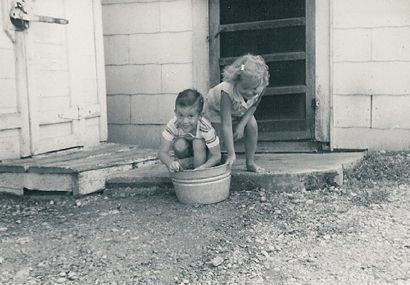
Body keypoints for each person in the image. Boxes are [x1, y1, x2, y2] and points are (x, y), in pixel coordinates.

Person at [204, 54, 269, 172]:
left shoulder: (260, 87)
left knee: (252, 124)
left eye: (254, 89)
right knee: (217, 136)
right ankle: (215, 159)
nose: (250, 93)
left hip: (240, 109)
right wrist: (231, 153)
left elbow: (253, 107)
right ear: (236, 80)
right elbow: (226, 123)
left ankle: (250, 162)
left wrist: (241, 125)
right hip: (216, 110)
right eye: (245, 88)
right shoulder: (227, 92)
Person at [158, 89, 221, 172]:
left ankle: (196, 172)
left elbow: (216, 156)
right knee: (179, 144)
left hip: (203, 154)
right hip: (187, 153)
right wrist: (170, 163)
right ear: (175, 112)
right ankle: (183, 167)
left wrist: (204, 167)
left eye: (190, 116)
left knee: (198, 142)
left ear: (200, 115)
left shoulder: (205, 128)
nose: (185, 121)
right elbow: (162, 152)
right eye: (180, 115)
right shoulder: (174, 124)